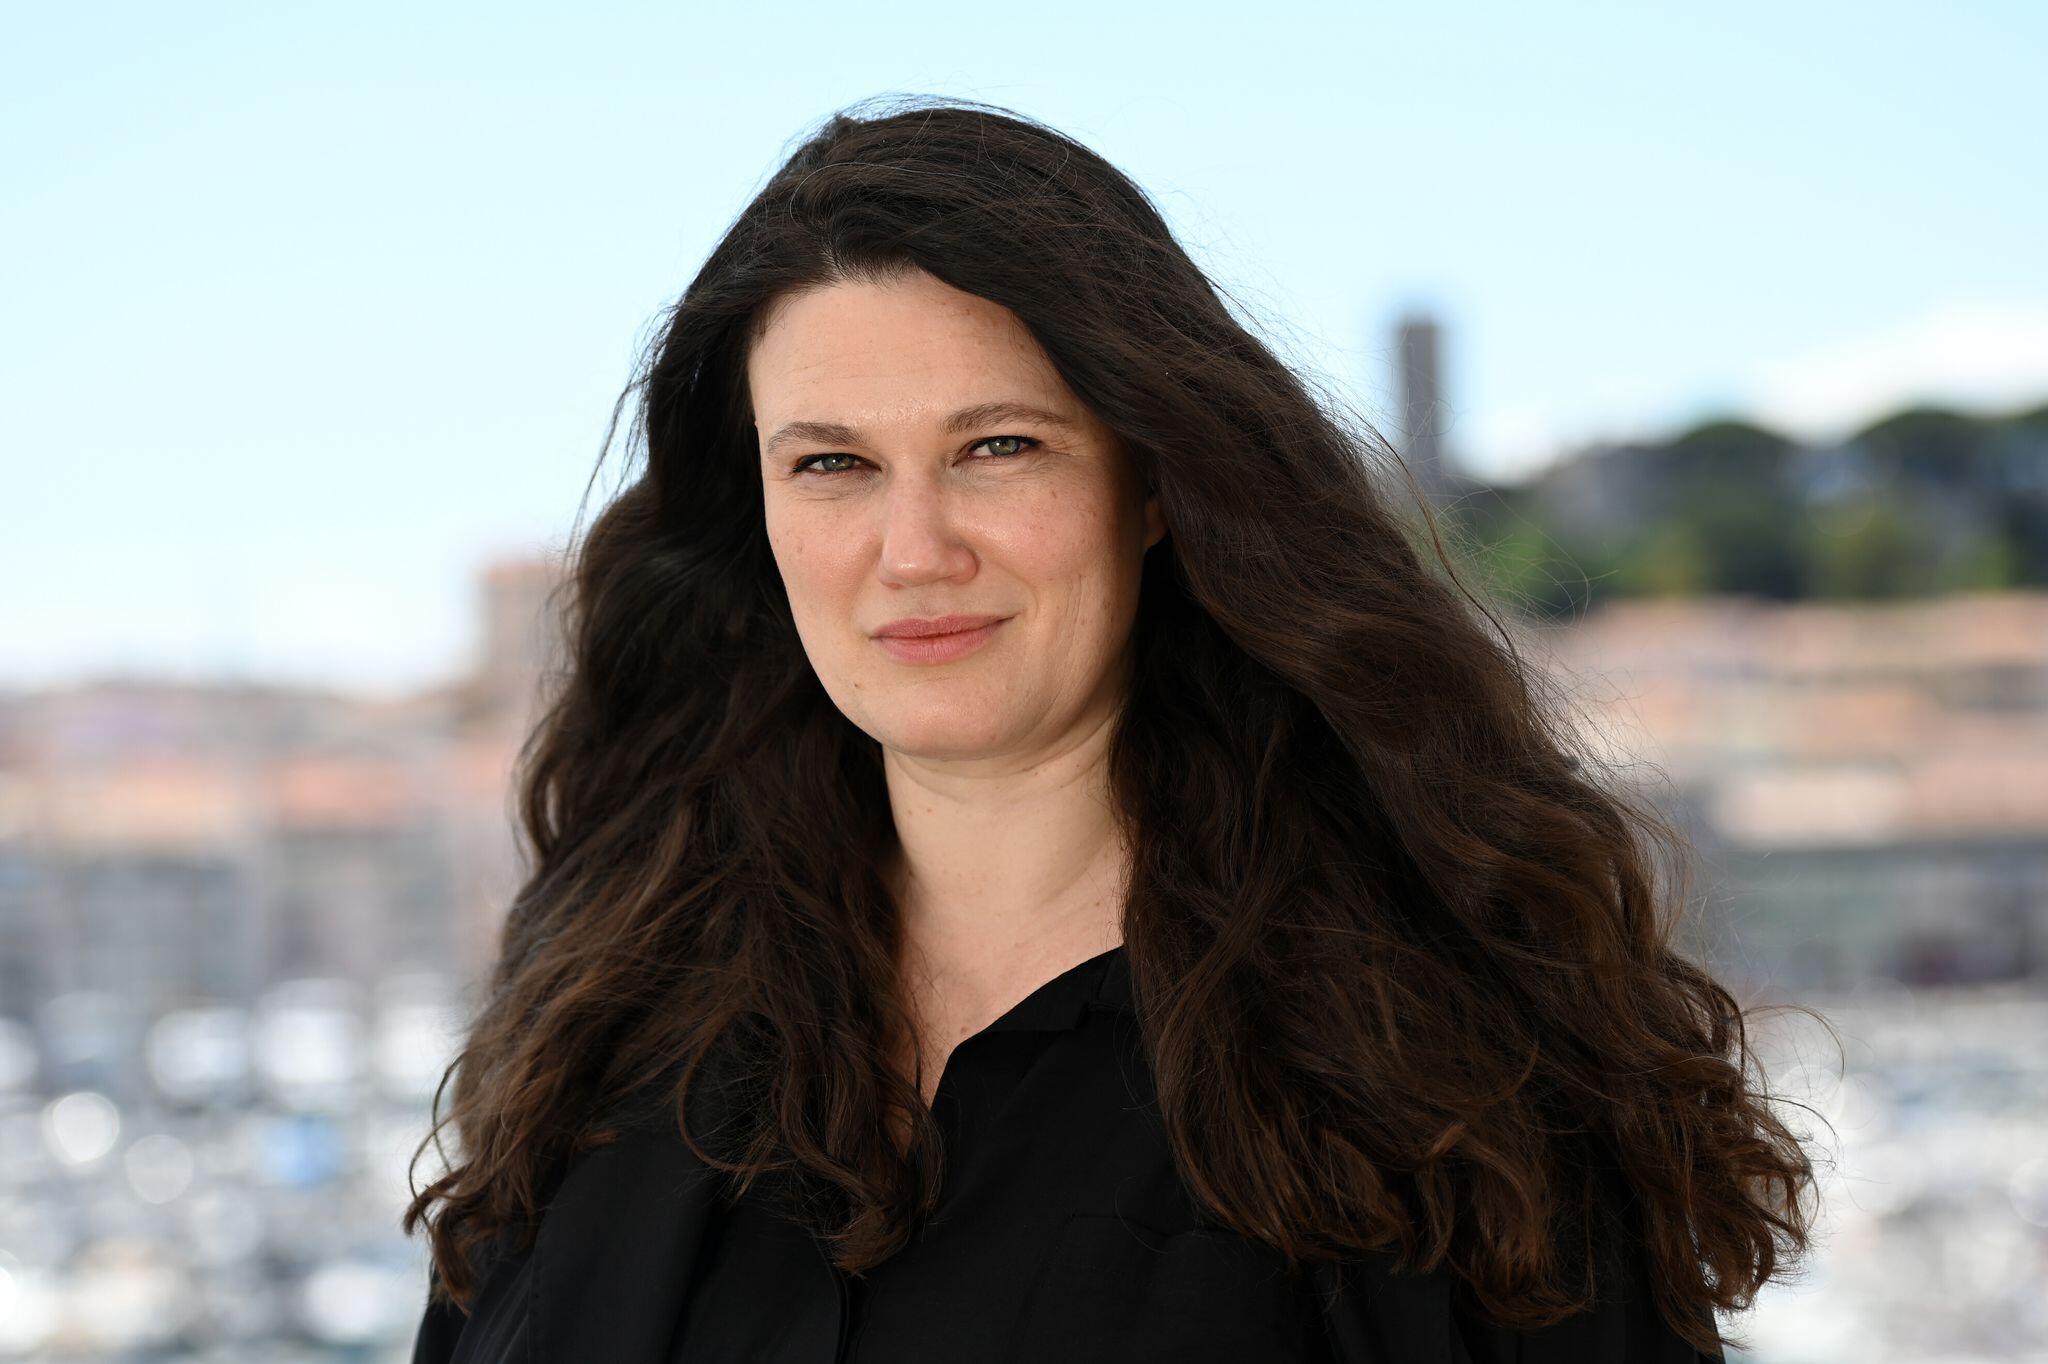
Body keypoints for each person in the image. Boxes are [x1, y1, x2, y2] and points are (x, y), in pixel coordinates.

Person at [403, 97, 1817, 1362]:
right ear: (757, 517)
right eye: (832, 464)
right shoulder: (611, 1016)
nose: (915, 549)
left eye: (998, 447)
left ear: (1152, 483)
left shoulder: (1445, 1073)